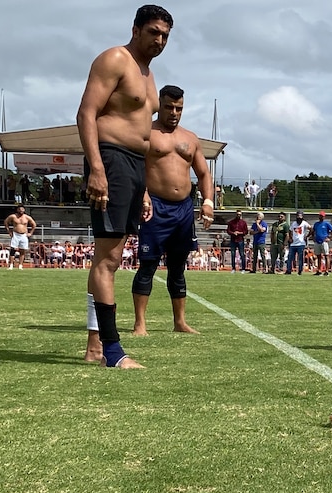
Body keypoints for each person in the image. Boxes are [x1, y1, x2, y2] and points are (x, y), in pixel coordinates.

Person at [77, 4, 173, 368]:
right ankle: (112, 351)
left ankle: (94, 347)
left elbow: (141, 133)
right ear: (136, 30)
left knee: (110, 258)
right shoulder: (115, 59)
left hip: (134, 166)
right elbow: (86, 113)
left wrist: (145, 187)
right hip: (111, 158)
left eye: (165, 35)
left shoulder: (148, 75)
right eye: (153, 32)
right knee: (109, 258)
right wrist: (97, 168)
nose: (159, 40)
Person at [131, 84, 214, 336]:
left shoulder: (190, 138)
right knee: (148, 265)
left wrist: (208, 202)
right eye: (169, 107)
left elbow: (203, 173)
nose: (174, 112)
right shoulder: (146, 132)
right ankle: (140, 324)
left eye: (179, 108)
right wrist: (143, 193)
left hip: (184, 209)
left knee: (178, 267)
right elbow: (135, 168)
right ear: (159, 104)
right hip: (155, 207)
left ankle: (180, 322)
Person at [3, 204, 37, 270]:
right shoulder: (13, 216)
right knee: (13, 250)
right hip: (15, 234)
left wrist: (31, 233)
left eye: (22, 209)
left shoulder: (27, 217)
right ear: (17, 209)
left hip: (24, 235)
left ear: (24, 210)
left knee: (22, 250)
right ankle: (11, 265)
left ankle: (20, 265)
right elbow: (6, 222)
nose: (21, 211)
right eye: (19, 209)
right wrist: (9, 231)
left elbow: (34, 224)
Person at [309, 210, 332, 275]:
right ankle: (319, 270)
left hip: (324, 241)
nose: (321, 217)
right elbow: (313, 231)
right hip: (317, 241)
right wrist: (313, 238)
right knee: (318, 256)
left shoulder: (326, 224)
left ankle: (326, 270)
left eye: (322, 216)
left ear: (324, 217)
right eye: (320, 216)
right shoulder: (316, 224)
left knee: (326, 255)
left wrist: (330, 238)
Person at [285, 210, 310, 275]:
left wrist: (307, 236)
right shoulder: (294, 223)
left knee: (300, 258)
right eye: (298, 216)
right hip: (293, 243)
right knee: (290, 257)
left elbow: (311, 229)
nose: (299, 218)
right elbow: (290, 231)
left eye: (300, 216)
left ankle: (300, 271)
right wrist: (290, 238)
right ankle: (288, 270)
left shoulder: (304, 223)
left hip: (301, 243)